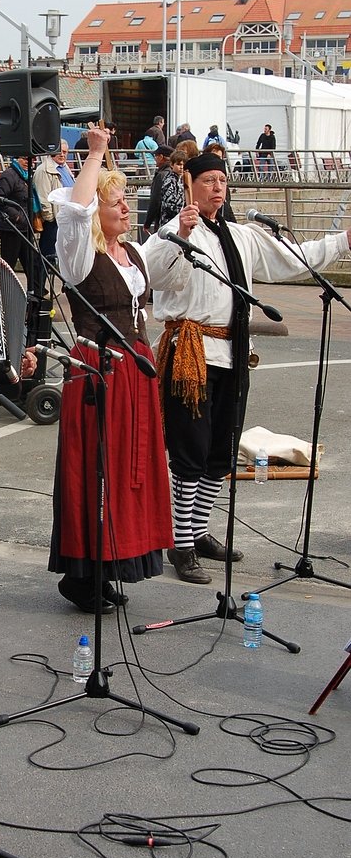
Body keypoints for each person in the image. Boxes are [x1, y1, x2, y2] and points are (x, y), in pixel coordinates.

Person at [145, 152, 351, 583]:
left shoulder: (241, 235)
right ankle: (180, 545)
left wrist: (343, 240)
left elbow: (293, 258)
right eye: (208, 180)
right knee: (190, 451)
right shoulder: (176, 230)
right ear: (190, 184)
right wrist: (176, 234)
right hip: (191, 352)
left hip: (233, 354)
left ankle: (198, 532)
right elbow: (152, 273)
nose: (217, 187)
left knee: (220, 451)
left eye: (222, 180)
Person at [47, 126, 173, 612]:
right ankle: (82, 574)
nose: (126, 207)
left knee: (125, 470)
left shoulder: (134, 254)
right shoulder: (80, 257)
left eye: (127, 200)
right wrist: (95, 154)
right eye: (115, 201)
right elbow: (74, 214)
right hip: (97, 369)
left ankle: (109, 565)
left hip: (134, 372)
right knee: (93, 468)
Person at [0, 153, 41, 284]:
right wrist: (17, 217)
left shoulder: (27, 176)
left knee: (32, 263)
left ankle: (38, 294)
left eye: (31, 159)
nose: (28, 162)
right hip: (10, 228)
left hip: (25, 227)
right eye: (24, 159)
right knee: (8, 264)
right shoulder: (9, 175)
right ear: (16, 159)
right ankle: (3, 292)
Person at [34, 140, 74, 262]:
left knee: (64, 257)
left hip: (67, 219)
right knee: (47, 256)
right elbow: (43, 197)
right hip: (55, 221)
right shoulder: (44, 170)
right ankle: (39, 281)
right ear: (52, 152)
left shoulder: (65, 168)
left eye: (65, 152)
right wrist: (51, 218)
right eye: (59, 152)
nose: (62, 155)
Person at [142, 144, 174, 236]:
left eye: (156, 156)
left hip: (162, 219)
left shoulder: (161, 175)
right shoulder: (175, 174)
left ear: (161, 157)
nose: (155, 158)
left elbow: (155, 200)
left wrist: (147, 222)